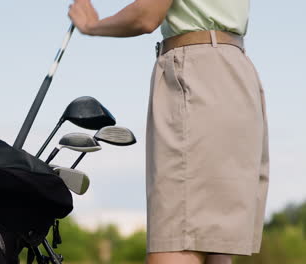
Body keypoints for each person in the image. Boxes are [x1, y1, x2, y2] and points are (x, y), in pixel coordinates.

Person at [68, 0, 269, 263]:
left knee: (178, 240)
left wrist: (92, 25)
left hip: (197, 73)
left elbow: (146, 16)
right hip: (236, 73)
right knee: (212, 246)